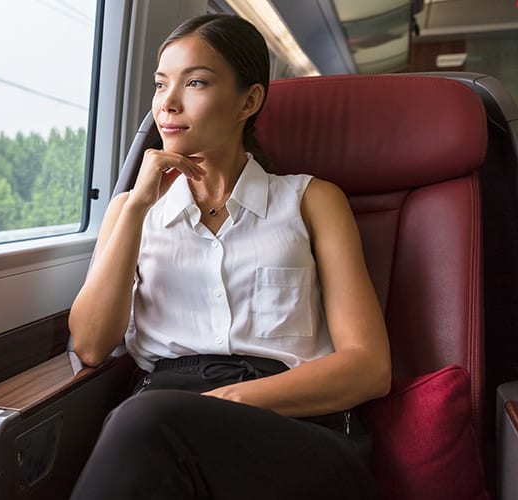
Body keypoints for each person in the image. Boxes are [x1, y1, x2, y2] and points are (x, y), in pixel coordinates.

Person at [67, 13, 391, 499]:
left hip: (297, 428)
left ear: (249, 100)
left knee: (144, 421)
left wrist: (228, 402)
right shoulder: (130, 211)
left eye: (195, 82)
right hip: (165, 425)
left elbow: (368, 366)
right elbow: (91, 346)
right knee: (144, 426)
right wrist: (136, 206)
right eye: (160, 85)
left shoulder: (311, 200)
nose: (167, 104)